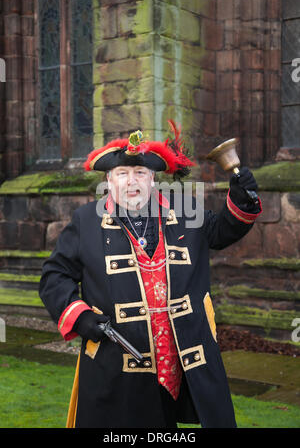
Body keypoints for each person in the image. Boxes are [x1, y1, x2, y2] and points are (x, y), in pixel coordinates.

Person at [39, 121, 262, 428]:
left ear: (153, 178)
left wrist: (242, 196)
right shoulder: (85, 221)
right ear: (108, 179)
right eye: (122, 174)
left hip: (182, 364)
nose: (132, 182)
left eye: (140, 173)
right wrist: (81, 316)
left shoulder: (186, 211)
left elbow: (225, 230)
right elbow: (54, 276)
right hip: (117, 367)